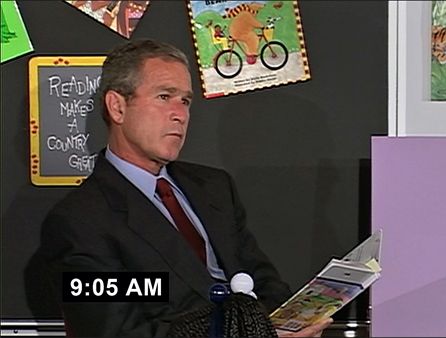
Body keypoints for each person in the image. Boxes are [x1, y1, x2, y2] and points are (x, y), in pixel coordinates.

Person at [38, 39, 331, 337]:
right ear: (117, 107)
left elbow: (264, 281)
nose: (180, 114)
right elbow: (114, 331)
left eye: (185, 101)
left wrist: (292, 324)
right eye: (165, 97)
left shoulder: (215, 188)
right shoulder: (79, 222)